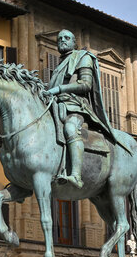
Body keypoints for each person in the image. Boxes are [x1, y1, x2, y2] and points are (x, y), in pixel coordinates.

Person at [46, 29, 123, 188]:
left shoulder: (83, 57)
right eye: (59, 39)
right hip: (56, 105)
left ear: (74, 43)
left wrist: (59, 89)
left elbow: (86, 85)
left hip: (76, 107)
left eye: (67, 38)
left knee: (70, 128)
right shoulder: (61, 64)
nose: (62, 41)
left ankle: (76, 175)